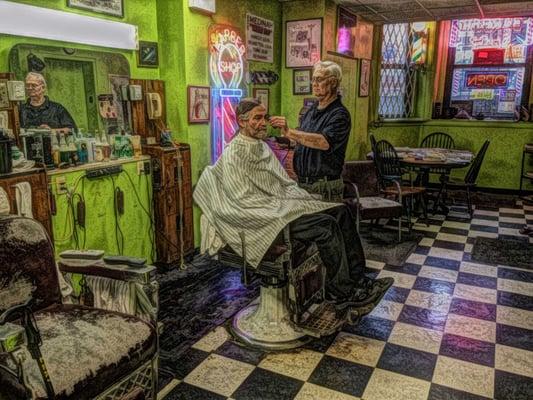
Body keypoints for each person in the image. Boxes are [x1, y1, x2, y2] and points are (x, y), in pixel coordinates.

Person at [194, 98, 393, 312]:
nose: (264, 123)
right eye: (257, 118)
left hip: (280, 206)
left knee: (342, 211)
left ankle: (359, 280)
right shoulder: (234, 153)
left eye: (265, 117)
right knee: (326, 226)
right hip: (264, 220)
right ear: (242, 122)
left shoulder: (260, 146)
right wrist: (283, 204)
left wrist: (299, 198)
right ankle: (341, 293)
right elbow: (243, 199)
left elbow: (283, 182)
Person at [270, 61, 349, 202]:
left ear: (333, 82)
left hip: (324, 186)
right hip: (303, 183)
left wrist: (289, 132)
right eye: (313, 79)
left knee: (323, 223)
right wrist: (281, 141)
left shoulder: (340, 114)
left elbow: (323, 142)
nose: (314, 83)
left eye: (318, 79)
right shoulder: (311, 110)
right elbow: (301, 139)